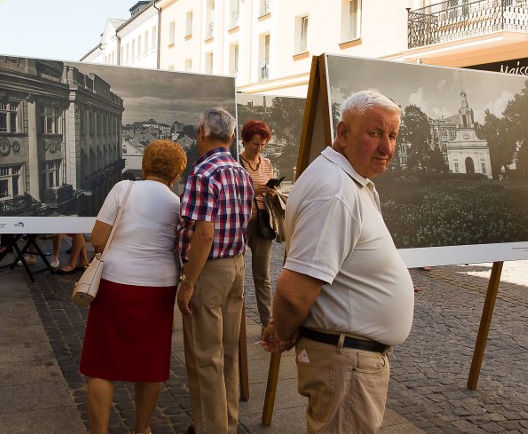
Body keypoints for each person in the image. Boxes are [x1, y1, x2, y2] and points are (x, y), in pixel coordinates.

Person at [261, 90, 415, 433]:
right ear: (343, 133)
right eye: (375, 133)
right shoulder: (335, 190)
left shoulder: (345, 180)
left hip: (349, 360)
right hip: (348, 365)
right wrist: (283, 333)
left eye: (392, 136)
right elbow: (292, 291)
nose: (387, 148)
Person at [79, 139, 187, 434]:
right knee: (149, 362)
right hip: (159, 286)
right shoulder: (177, 203)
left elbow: (99, 238)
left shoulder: (122, 189)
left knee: (101, 362)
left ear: (144, 165)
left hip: (116, 280)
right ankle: (142, 429)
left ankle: (99, 431)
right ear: (176, 175)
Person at [176, 108, 254, 434]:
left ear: (200, 133)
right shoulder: (239, 171)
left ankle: (212, 428)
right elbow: (246, 220)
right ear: (233, 137)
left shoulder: (202, 172)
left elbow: (204, 234)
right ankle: (228, 424)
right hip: (236, 265)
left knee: (205, 359)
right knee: (229, 354)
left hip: (209, 269)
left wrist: (187, 281)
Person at [238, 119, 277, 330]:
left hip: (263, 222)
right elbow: (233, 195)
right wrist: (254, 192)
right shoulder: (237, 163)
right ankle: (237, 321)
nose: (259, 148)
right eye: (255, 144)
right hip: (242, 222)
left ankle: (266, 323)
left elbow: (270, 193)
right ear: (244, 142)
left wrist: (271, 192)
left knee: (263, 277)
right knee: (237, 275)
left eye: (263, 144)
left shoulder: (268, 163)